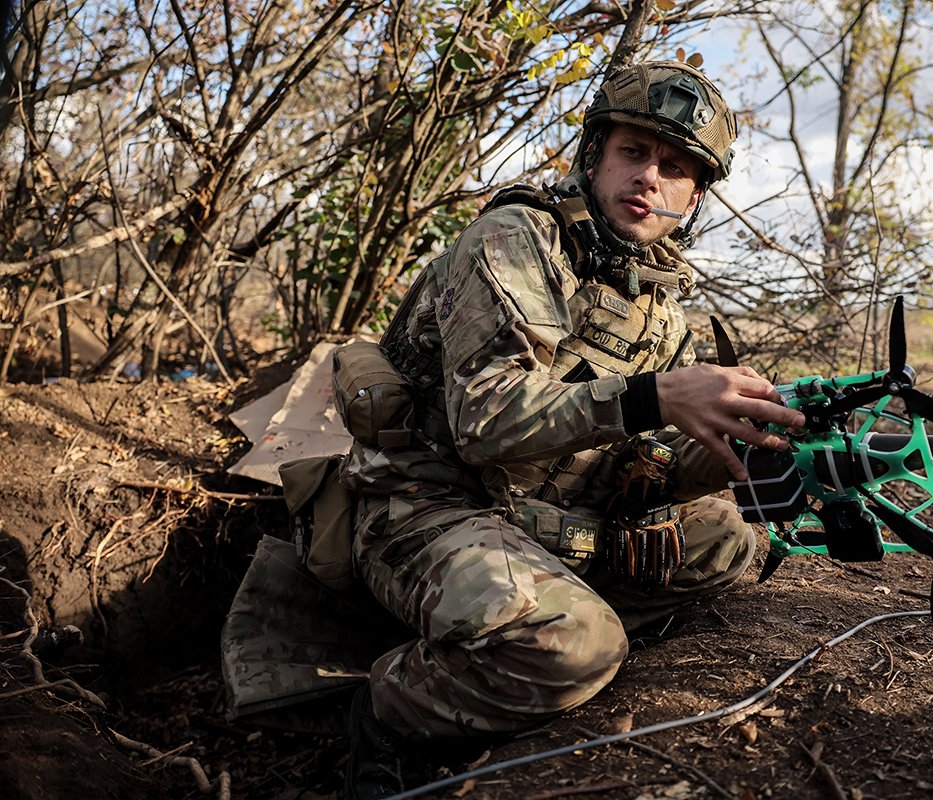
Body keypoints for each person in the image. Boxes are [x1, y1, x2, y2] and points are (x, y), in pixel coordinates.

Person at [336, 61, 806, 797]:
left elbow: (650, 457)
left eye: (675, 167)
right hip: (428, 510)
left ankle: (533, 631)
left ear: (695, 195)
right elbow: (484, 422)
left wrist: (747, 446)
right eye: (633, 152)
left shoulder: (659, 300)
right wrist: (655, 396)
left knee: (726, 541)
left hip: (540, 517)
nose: (649, 177)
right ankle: (391, 707)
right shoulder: (519, 238)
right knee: (576, 645)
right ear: (594, 156)